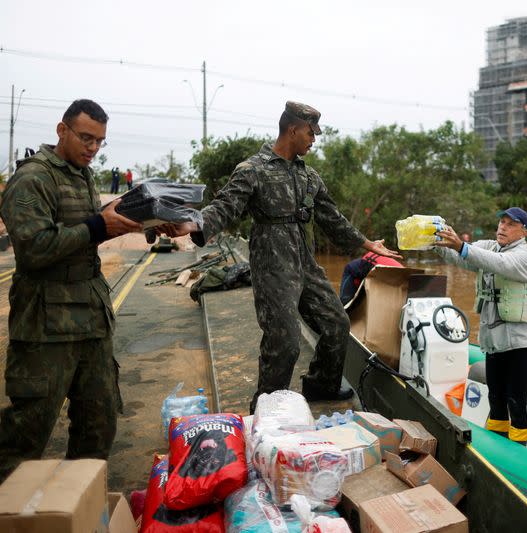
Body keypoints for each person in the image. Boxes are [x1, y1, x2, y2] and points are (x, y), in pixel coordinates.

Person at [160, 101, 401, 412]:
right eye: (310, 133)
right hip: (273, 265)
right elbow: (225, 206)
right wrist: (193, 224)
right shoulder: (253, 170)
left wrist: (369, 245)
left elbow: (332, 219)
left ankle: (320, 385)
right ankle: (266, 406)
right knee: (284, 340)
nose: (314, 139)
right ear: (293, 130)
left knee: (336, 323)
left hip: (306, 264)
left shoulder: (309, 176)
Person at [0, 99, 142, 481]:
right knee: (27, 431)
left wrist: (130, 221)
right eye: (85, 138)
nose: (93, 148)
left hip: (91, 320)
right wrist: (99, 227)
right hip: (47, 326)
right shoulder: (33, 178)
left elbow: (86, 228)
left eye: (99, 142)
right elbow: (34, 249)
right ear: (61, 130)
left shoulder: (81, 173)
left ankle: (79, 505)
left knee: (98, 423)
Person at [433, 207, 527, 446]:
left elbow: (498, 263)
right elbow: (460, 256)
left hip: (519, 342)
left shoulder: (526, 254)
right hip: (495, 339)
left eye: (511, 224)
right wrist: (436, 243)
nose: (503, 227)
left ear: (524, 232)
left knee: (516, 400)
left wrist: (462, 246)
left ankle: (519, 450)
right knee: (495, 397)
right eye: (501, 222)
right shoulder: (489, 246)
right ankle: (499, 445)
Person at [339, 252, 403, 305]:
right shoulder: (397, 274)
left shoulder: (402, 275)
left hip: (371, 267)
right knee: (346, 302)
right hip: (354, 270)